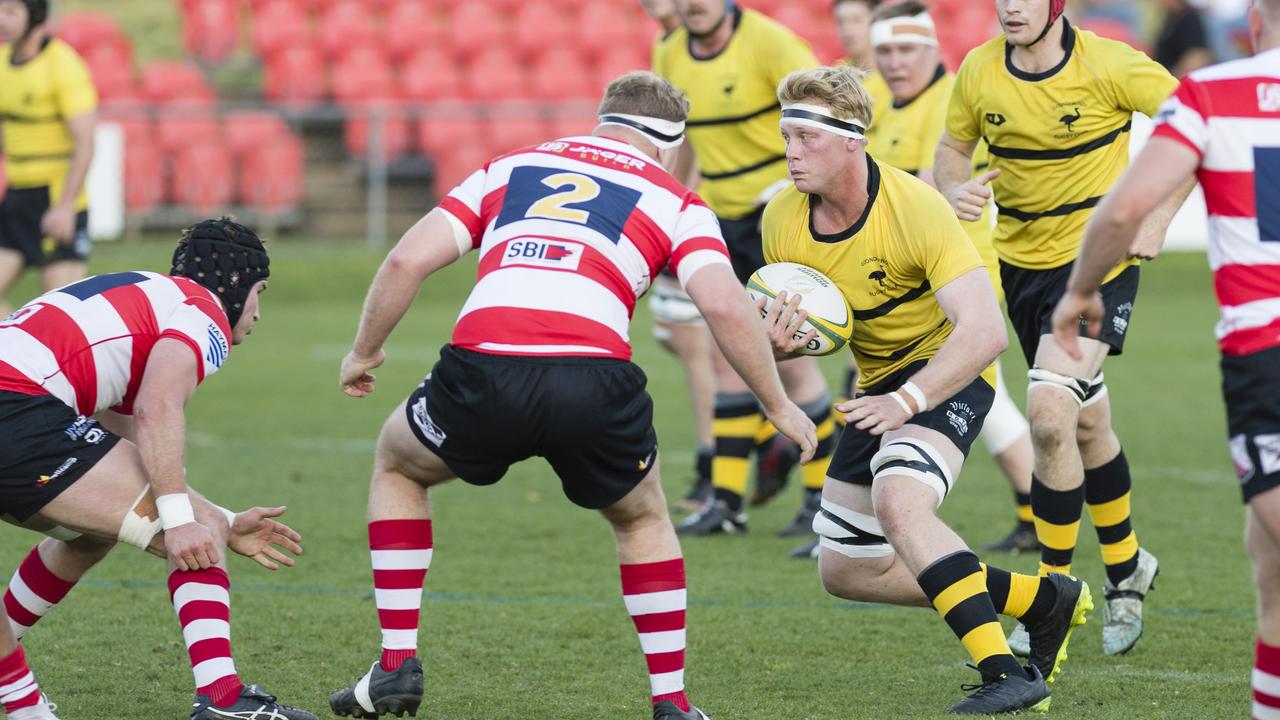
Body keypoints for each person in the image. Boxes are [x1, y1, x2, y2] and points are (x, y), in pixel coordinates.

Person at [331, 71, 818, 720]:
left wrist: (365, 352)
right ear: (670, 146)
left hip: (485, 365)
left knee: (398, 463)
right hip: (593, 378)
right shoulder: (674, 197)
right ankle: (671, 703)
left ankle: (394, 664)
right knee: (642, 518)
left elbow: (404, 262)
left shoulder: (512, 166)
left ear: (602, 122)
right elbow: (723, 303)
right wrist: (779, 404)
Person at [761, 65, 1091, 714]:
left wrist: (907, 401)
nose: (792, 152)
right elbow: (813, 326)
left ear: (853, 139)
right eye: (785, 136)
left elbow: (986, 331)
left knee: (900, 503)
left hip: (949, 372)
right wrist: (782, 344)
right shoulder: (781, 218)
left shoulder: (915, 206)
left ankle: (1006, 671)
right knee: (845, 570)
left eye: (806, 137)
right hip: (878, 385)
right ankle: (1043, 601)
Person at [935, 0, 1191, 656]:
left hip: (1101, 263)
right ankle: (1128, 566)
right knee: (1083, 421)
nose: (1012, 7)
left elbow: (1197, 122)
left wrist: (1158, 216)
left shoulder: (1109, 63)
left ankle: (1052, 595)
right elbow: (951, 149)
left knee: (1048, 413)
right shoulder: (979, 71)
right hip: (1022, 270)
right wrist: (954, 187)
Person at [1049, 0, 1279, 713]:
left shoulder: (1213, 94)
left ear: (1253, 20)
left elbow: (1123, 210)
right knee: (1268, 563)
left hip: (1266, 350)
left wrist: (1079, 289)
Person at [0, 218, 316, 720]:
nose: (258, 311)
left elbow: (127, 452)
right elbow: (158, 407)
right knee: (195, 530)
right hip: (15, 408)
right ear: (234, 286)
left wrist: (222, 516)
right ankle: (223, 701)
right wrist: (190, 521)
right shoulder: (202, 310)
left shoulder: (143, 299)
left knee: (94, 533)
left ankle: (21, 701)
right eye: (260, 292)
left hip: (18, 405)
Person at [654, 0, 837, 551]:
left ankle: (820, 504)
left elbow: (823, 111)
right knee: (724, 354)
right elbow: (684, 140)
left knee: (795, 357)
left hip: (778, 213)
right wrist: (669, 204)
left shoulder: (770, 43)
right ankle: (726, 503)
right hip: (721, 218)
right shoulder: (669, 51)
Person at [862, 1, 1037, 553]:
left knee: (952, 394)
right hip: (912, 277)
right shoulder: (888, 105)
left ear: (933, 49)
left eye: (907, 49)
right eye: (885, 50)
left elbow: (920, 186)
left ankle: (854, 519)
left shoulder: (946, 102)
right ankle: (1041, 512)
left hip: (958, 274)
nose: (895, 62)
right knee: (988, 403)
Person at [639, 0, 718, 512]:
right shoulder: (669, 48)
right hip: (683, 201)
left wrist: (679, 204)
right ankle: (747, 436)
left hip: (719, 209)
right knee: (679, 337)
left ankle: (714, 467)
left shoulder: (736, 44)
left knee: (696, 346)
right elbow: (677, 136)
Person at [0, 0, 95, 315]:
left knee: (63, 313)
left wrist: (66, 206)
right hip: (17, 195)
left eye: (10, 11)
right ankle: (18, 353)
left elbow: (85, 142)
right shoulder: (2, 61)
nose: (1, 20)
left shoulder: (63, 65)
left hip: (55, 197)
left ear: (36, 15)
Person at [1154, 0, 1214, 77]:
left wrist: (1174, 79)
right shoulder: (1171, 18)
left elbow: (1197, 56)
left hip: (1176, 80)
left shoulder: (1189, 19)